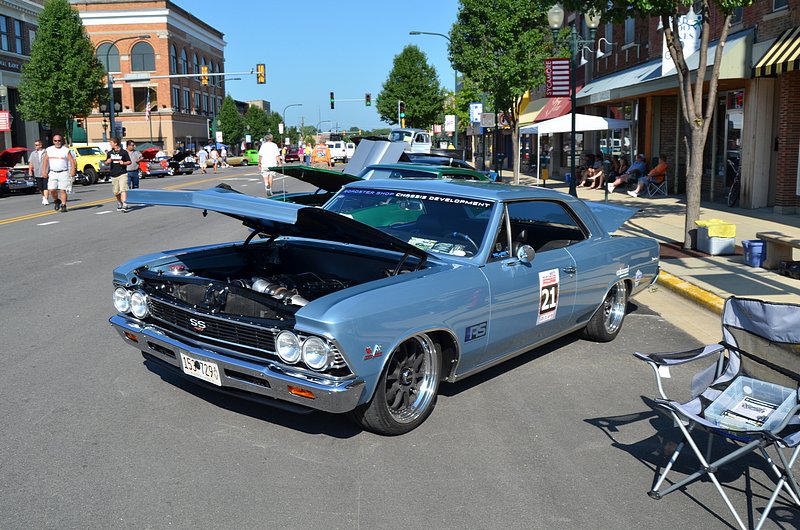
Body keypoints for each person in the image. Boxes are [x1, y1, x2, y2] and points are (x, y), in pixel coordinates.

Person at [41, 134, 76, 213]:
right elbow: (45, 161)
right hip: (53, 172)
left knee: (62, 190)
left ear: (61, 141)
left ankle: (63, 205)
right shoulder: (49, 150)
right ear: (53, 141)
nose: (57, 142)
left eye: (59, 140)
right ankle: (56, 200)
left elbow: (71, 160)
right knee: (51, 190)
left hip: (63, 172)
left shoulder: (65, 150)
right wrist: (44, 171)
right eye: (55, 141)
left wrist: (73, 170)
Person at [105, 137, 131, 212]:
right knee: (116, 191)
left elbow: (129, 162)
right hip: (114, 174)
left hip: (122, 173)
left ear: (115, 143)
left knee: (123, 189)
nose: (110, 144)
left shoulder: (123, 152)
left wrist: (124, 163)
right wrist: (107, 161)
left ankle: (125, 204)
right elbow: (106, 163)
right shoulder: (110, 153)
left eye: (111, 143)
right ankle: (119, 202)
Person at [28, 139, 48, 205]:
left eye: (36, 145)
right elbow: (31, 162)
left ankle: (46, 199)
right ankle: (43, 196)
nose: (35, 146)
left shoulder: (46, 152)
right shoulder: (33, 153)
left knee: (46, 186)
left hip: (45, 172)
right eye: (35, 145)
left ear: (40, 145)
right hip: (37, 172)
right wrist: (30, 170)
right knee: (40, 187)